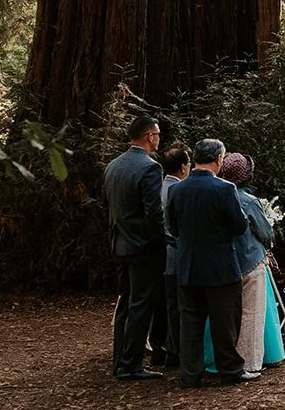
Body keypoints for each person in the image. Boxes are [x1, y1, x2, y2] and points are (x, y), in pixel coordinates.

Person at [164, 139, 260, 387]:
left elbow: (172, 227)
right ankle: (230, 370)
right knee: (224, 322)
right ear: (218, 159)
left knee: (190, 324)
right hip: (220, 267)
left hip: (188, 267)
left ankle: (190, 374)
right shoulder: (225, 189)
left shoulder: (177, 190)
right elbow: (239, 226)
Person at [103, 114, 166, 381]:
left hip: (120, 244)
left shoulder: (113, 166)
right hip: (143, 247)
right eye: (158, 134)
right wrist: (160, 242)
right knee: (141, 305)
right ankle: (131, 364)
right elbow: (153, 213)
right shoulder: (150, 168)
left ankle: (120, 360)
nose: (159, 139)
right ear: (150, 136)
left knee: (125, 304)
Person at [217, 152, 285, 371]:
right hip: (251, 260)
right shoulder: (249, 201)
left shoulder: (218, 196)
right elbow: (266, 233)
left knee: (226, 314)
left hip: (226, 262)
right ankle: (251, 362)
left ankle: (223, 360)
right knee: (252, 314)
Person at [154, 142, 192, 370]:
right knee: (176, 306)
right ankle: (175, 352)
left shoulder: (159, 187)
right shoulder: (176, 190)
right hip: (175, 256)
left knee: (166, 305)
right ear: (183, 167)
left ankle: (163, 349)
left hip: (162, 256)